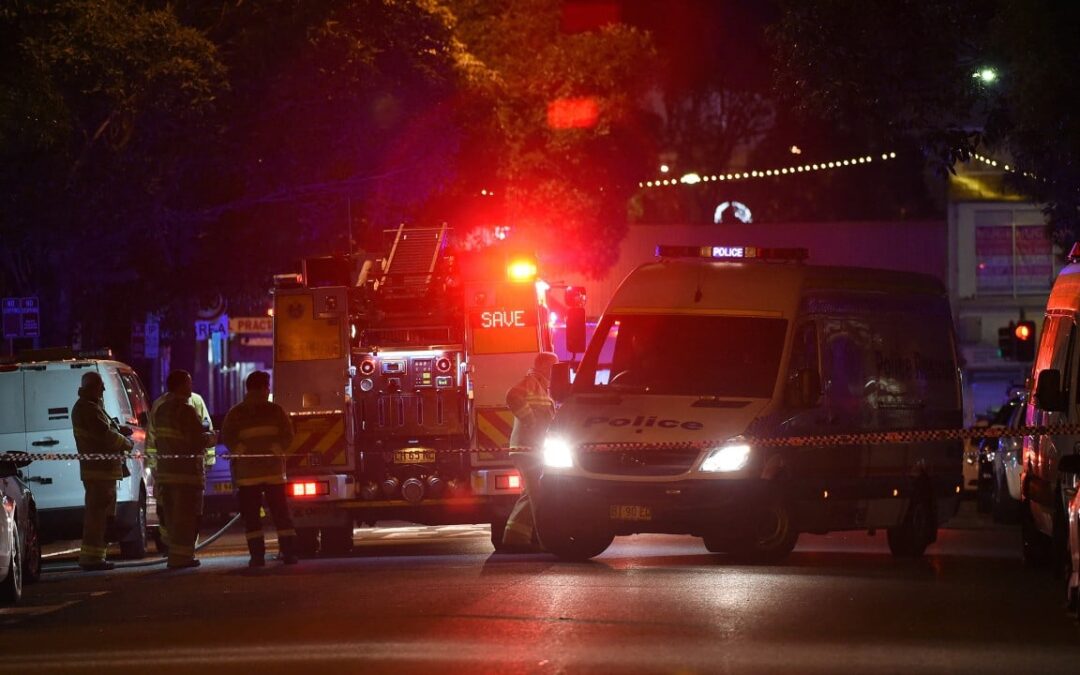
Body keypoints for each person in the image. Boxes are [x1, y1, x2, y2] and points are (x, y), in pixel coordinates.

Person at [222, 371, 298, 567]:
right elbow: (288, 435)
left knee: (252, 518)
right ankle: (288, 553)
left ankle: (257, 557)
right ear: (265, 388)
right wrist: (277, 449)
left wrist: (240, 450)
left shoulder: (236, 412)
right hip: (273, 473)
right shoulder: (276, 411)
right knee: (281, 515)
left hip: (247, 475)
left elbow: (227, 436)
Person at [146, 370, 216, 554]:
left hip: (166, 472)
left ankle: (172, 550)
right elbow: (197, 439)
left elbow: (153, 439)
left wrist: (155, 467)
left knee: (170, 513)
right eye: (188, 383)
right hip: (187, 474)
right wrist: (211, 440)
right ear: (181, 385)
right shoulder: (187, 409)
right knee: (188, 514)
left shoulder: (161, 408)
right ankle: (183, 553)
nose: (191, 387)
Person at [72, 371, 133, 571]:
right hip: (99, 472)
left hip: (101, 472)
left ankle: (96, 557)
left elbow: (104, 430)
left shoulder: (91, 407)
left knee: (102, 517)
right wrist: (126, 443)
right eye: (101, 385)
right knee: (97, 518)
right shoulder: (88, 409)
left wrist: (119, 430)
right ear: (91, 387)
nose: (104, 389)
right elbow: (105, 436)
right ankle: (92, 559)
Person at [501, 352, 559, 552]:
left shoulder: (541, 386)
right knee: (538, 495)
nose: (555, 371)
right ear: (542, 366)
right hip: (527, 450)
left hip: (532, 450)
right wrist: (530, 420)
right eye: (553, 366)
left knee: (530, 494)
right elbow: (512, 395)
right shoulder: (532, 382)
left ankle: (514, 537)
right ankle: (548, 541)